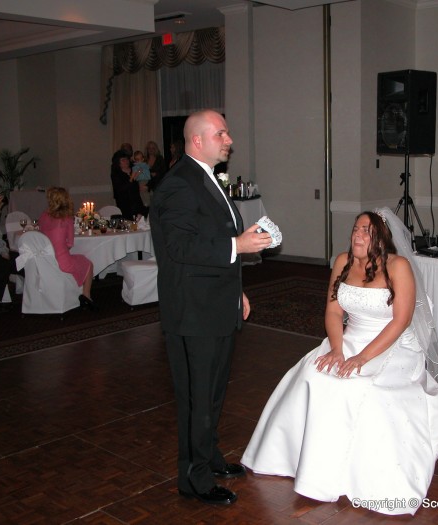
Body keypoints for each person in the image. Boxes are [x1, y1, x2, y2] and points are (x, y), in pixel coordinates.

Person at [241, 208, 438, 516]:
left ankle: (354, 474)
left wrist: (362, 358)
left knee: (359, 388)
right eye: (356, 228)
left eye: (366, 230)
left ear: (381, 238)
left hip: (391, 345)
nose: (358, 234)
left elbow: (401, 321)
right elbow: (333, 312)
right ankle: (304, 463)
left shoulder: (398, 266)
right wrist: (338, 349)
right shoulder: (342, 261)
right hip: (349, 338)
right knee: (315, 375)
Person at [150, 109, 272, 506]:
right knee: (195, 398)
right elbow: (179, 248)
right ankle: (194, 477)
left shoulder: (205, 180)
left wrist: (236, 291)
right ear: (197, 140)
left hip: (215, 304)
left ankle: (210, 457)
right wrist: (238, 245)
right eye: (221, 133)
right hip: (193, 312)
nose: (229, 139)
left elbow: (213, 240)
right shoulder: (179, 184)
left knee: (214, 393)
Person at [38, 187, 95, 310]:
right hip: (61, 262)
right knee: (88, 263)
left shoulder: (43, 216)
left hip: (46, 260)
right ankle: (86, 295)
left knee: (77, 259)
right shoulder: (66, 218)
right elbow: (69, 244)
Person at [110, 150, 147, 219]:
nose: (126, 161)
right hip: (125, 204)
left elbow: (147, 178)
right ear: (118, 162)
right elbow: (121, 188)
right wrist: (133, 178)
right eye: (123, 160)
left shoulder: (135, 168)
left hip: (138, 202)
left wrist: (147, 186)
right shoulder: (116, 174)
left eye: (127, 159)